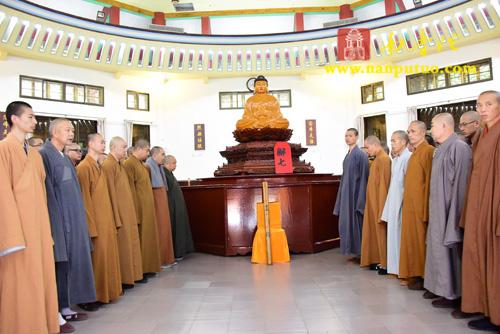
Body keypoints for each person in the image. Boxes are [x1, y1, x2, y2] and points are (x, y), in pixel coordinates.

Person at [0, 101, 59, 334]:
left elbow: (42, 195)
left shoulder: (34, 155)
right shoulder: (4, 149)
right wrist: (11, 236)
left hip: (38, 229)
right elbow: (2, 193)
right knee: (19, 284)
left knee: (40, 281)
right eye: (30, 117)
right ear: (14, 118)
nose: (35, 121)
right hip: (17, 234)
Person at [39, 119, 96, 330]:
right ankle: (54, 313)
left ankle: (65, 307)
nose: (71, 133)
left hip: (73, 219)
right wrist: (57, 222)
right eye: (67, 129)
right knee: (58, 265)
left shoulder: (64, 156)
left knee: (69, 265)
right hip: (58, 220)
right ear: (54, 132)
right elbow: (47, 193)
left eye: (72, 130)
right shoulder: (44, 155)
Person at [459, 91, 500, 331]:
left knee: (495, 261)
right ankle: (488, 310)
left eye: (489, 104)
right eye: (479, 105)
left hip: (494, 206)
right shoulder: (481, 135)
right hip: (478, 206)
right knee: (479, 257)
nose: (483, 109)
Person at [424, 113, 471, 308]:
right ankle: (445, 290)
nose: (431, 130)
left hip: (451, 211)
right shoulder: (440, 149)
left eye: (433, 126)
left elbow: (462, 184)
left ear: (444, 126)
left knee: (453, 253)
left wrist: (455, 217)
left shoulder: (459, 148)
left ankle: (457, 294)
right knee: (439, 251)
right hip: (439, 210)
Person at [77, 133, 122, 308]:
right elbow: (84, 200)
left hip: (105, 220)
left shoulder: (98, 165)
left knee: (107, 259)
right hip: (95, 222)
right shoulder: (84, 167)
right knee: (97, 260)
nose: (104, 145)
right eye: (101, 142)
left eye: (105, 142)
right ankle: (90, 297)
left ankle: (106, 293)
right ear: (90, 144)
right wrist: (90, 227)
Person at [102, 137, 144, 290]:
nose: (126, 150)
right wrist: (116, 216)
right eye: (123, 147)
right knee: (124, 246)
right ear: (114, 148)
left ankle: (131, 276)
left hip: (127, 212)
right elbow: (111, 193)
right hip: (119, 213)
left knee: (130, 245)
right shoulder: (108, 165)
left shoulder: (118, 164)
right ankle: (124, 279)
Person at [399, 121, 435, 289]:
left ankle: (423, 276)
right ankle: (413, 273)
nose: (410, 134)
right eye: (408, 131)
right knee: (411, 241)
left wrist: (427, 209)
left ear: (423, 132)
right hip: (410, 207)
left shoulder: (428, 152)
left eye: (413, 131)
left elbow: (429, 182)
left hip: (421, 206)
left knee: (421, 242)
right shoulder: (414, 153)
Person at [123, 139, 162, 277]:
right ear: (138, 149)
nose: (148, 154)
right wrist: (134, 210)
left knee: (148, 239)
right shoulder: (129, 164)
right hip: (138, 208)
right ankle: (141, 270)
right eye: (146, 150)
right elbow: (130, 189)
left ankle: (148, 267)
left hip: (147, 208)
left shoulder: (141, 165)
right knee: (141, 240)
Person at [333, 128, 370, 263]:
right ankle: (354, 252)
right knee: (346, 223)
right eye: (346, 135)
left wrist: (361, 198)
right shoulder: (348, 155)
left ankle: (362, 253)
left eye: (350, 136)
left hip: (355, 195)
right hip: (347, 194)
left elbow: (364, 177)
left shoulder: (360, 154)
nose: (348, 138)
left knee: (357, 223)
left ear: (357, 137)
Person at [381, 130, 412, 279]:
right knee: (393, 235)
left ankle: (404, 270)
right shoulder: (395, 160)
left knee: (401, 237)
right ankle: (394, 268)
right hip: (393, 201)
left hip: (403, 202)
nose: (391, 144)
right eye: (391, 141)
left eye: (394, 141)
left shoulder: (409, 158)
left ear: (404, 142)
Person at [360, 136, 391, 274]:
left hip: (380, 204)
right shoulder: (377, 159)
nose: (367, 151)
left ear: (375, 144)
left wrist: (382, 208)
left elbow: (384, 185)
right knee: (374, 233)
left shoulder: (384, 159)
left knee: (381, 234)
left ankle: (384, 263)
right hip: (373, 203)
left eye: (368, 147)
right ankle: (378, 259)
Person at [145, 146, 176, 268]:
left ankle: (166, 258)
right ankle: (160, 260)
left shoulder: (159, 168)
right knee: (160, 231)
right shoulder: (148, 167)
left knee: (165, 231)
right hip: (156, 205)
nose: (164, 157)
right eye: (162, 154)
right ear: (154, 156)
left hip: (163, 204)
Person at [163, 155, 194, 260]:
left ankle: (179, 252)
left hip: (177, 207)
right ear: (166, 164)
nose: (175, 165)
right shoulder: (164, 174)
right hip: (172, 207)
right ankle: (175, 253)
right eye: (174, 163)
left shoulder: (170, 174)